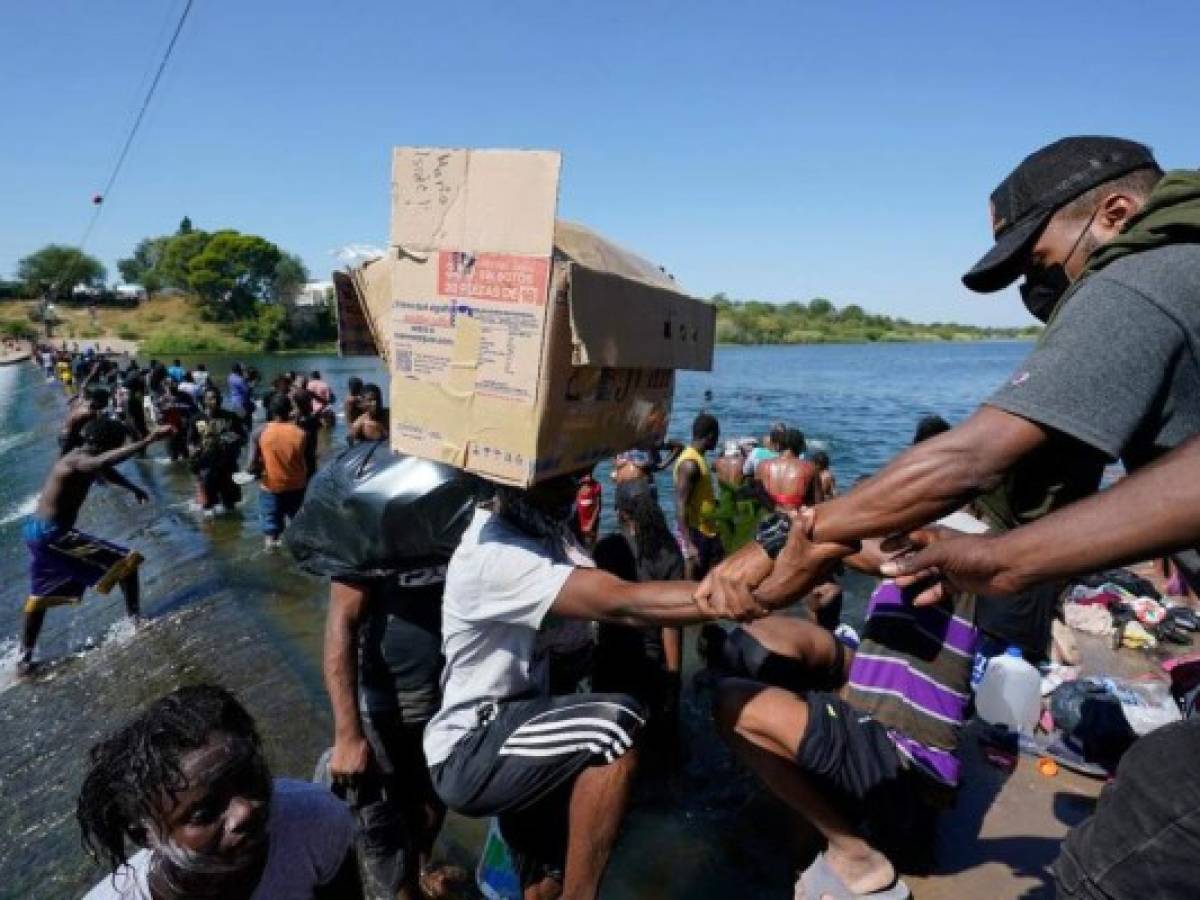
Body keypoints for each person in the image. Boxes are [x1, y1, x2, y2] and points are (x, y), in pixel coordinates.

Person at [708, 137, 1200, 652]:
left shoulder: (1134, 282)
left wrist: (786, 539)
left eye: (1039, 261)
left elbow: (972, 458)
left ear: (1115, 214)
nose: (1035, 288)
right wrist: (1003, 560)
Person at [423, 472, 751, 899]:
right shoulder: (497, 553)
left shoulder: (545, 538)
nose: (571, 494)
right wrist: (720, 598)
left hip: (524, 731)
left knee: (545, 879)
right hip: (473, 745)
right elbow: (622, 602)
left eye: (572, 483)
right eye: (554, 486)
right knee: (616, 729)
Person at [78, 684, 361, 900]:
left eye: (247, 778)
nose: (245, 811)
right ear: (146, 835)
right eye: (205, 812)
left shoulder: (312, 820)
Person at [323, 544, 462, 898]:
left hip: (450, 694)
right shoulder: (368, 526)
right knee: (382, 817)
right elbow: (342, 621)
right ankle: (402, 891)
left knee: (433, 801)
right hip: (386, 702)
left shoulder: (456, 513)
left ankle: (421, 867)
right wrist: (348, 735)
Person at [19, 419, 172, 676]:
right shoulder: (77, 460)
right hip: (52, 535)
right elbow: (101, 464)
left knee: (41, 596)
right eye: (117, 445)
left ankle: (24, 660)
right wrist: (147, 441)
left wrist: (131, 486)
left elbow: (103, 470)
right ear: (107, 444)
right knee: (128, 563)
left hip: (38, 532)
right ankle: (136, 622)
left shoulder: (79, 456)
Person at [592, 480, 687, 752]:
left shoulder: (608, 548)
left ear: (621, 513)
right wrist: (674, 676)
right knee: (658, 737)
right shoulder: (669, 552)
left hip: (610, 655)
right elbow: (672, 623)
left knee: (611, 739)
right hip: (653, 657)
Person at [247, 394, 311, 550]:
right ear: (289, 410)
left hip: (271, 488)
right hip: (297, 487)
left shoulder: (259, 432)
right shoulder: (301, 433)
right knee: (299, 527)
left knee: (271, 533)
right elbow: (306, 462)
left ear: (270, 410)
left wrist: (258, 469)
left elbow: (250, 466)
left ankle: (272, 559)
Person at [674, 413, 723, 580]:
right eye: (717, 436)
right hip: (696, 533)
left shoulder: (699, 459)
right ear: (710, 436)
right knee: (693, 588)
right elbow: (680, 504)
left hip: (708, 530)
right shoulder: (690, 464)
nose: (717, 441)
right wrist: (688, 544)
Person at [187, 386, 247, 516]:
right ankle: (212, 532)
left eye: (216, 398)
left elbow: (243, 438)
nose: (213, 401)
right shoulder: (197, 419)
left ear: (220, 399)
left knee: (231, 504)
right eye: (210, 398)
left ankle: (231, 532)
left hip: (228, 466)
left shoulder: (230, 417)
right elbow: (191, 442)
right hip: (207, 468)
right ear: (203, 401)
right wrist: (194, 453)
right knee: (208, 507)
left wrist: (234, 439)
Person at [756, 428, 821, 511]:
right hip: (795, 518)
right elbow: (818, 503)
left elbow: (758, 495)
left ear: (780, 444)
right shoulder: (809, 468)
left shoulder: (762, 465)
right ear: (800, 446)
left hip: (767, 517)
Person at [228, 362, 255, 431]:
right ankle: (248, 436)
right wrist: (252, 384)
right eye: (242, 369)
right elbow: (247, 390)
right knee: (246, 421)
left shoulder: (230, 376)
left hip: (234, 402)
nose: (244, 370)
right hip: (242, 403)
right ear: (238, 370)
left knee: (238, 421)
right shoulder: (239, 380)